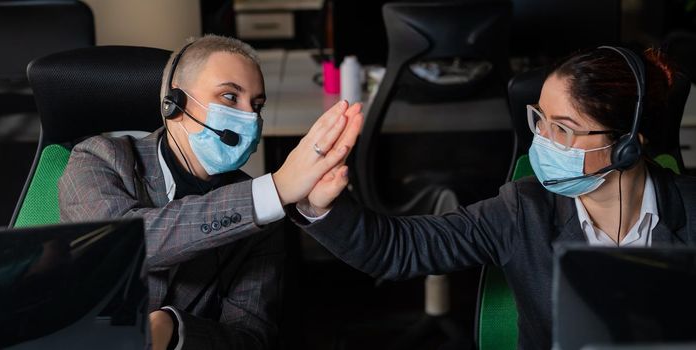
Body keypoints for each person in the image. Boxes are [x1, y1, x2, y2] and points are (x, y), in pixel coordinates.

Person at [291, 47, 696, 349]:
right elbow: (398, 250)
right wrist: (322, 206)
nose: (543, 140)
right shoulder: (525, 210)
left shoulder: (691, 212)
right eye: (540, 120)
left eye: (563, 129)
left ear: (628, 144)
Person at [58, 35, 363, 349]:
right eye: (230, 97)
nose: (249, 118)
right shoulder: (98, 159)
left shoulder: (264, 218)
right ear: (173, 104)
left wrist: (173, 330)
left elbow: (250, 338)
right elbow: (127, 245)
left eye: (257, 105)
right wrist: (277, 188)